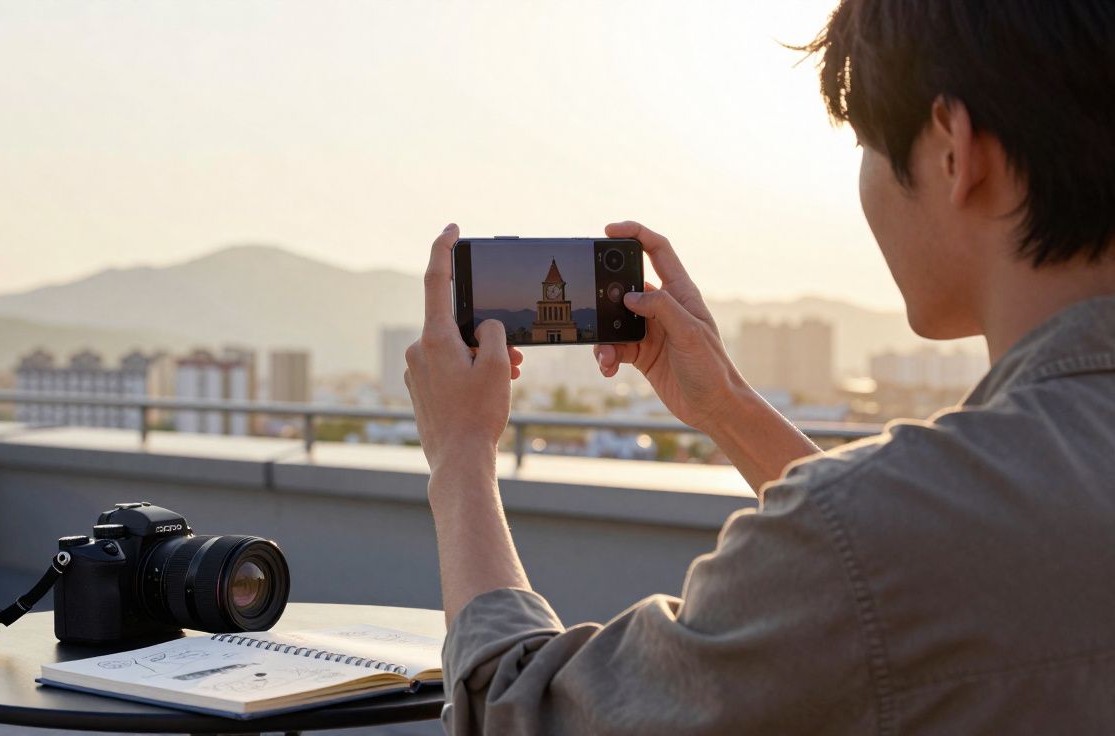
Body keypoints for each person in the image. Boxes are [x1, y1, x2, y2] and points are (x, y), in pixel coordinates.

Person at [403, 1, 1115, 733]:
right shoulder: (931, 527)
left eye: (866, 144)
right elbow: (925, 578)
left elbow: (521, 716)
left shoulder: (880, 537)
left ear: (952, 151)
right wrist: (727, 406)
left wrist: (460, 455)